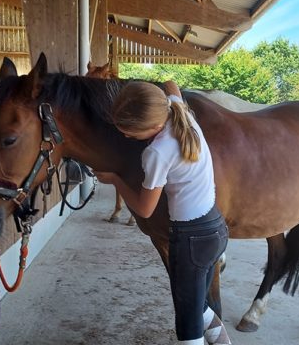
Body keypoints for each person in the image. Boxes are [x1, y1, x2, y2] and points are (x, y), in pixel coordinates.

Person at [94, 80, 231, 345]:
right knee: (199, 305)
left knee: (188, 323)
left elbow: (144, 209)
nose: (125, 136)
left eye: (131, 133)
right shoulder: (181, 114)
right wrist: (164, 94)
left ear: (155, 127)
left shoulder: (157, 152)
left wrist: (115, 180)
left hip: (190, 240)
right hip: (215, 229)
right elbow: (171, 85)